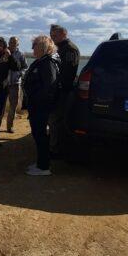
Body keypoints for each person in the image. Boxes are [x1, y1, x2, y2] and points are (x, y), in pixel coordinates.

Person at [22, 36, 60, 176]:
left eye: (34, 45)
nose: (32, 48)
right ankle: (41, 162)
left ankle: (44, 167)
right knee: (38, 135)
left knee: (40, 135)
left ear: (43, 46)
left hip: (40, 107)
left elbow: (49, 88)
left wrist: (40, 104)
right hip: (36, 106)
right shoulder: (40, 62)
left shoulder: (47, 63)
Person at [49, 24, 80, 158]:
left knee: (58, 121)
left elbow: (67, 73)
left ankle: (57, 150)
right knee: (55, 121)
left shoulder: (70, 49)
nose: (52, 38)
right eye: (51, 35)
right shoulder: (59, 48)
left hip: (63, 91)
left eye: (55, 35)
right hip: (58, 90)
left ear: (64, 34)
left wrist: (58, 86)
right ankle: (55, 147)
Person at [1, 36, 28, 133]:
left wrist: (20, 74)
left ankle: (9, 126)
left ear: (18, 44)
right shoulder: (3, 52)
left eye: (14, 42)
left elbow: (25, 67)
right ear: (8, 42)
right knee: (1, 105)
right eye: (11, 42)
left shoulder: (21, 54)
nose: (12, 43)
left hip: (15, 84)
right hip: (3, 84)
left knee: (13, 106)